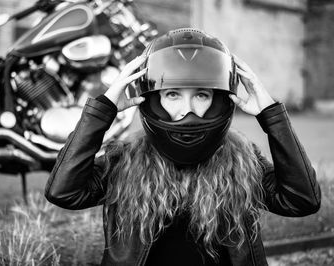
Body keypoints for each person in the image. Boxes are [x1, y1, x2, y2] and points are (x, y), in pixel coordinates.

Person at [45, 29, 321, 266]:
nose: (186, 111)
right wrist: (102, 111)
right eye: (173, 94)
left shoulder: (243, 159)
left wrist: (271, 115)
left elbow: (302, 200)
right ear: (152, 99)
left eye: (201, 95)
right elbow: (64, 192)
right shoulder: (123, 160)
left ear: (219, 101)